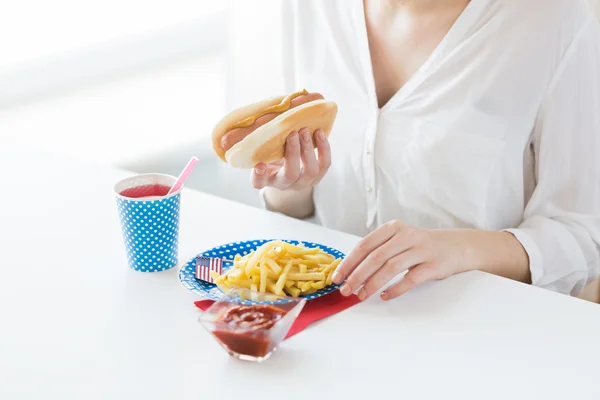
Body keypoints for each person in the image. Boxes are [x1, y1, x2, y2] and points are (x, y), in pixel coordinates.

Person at [250, 0, 600, 301]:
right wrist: (290, 187)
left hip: (483, 333)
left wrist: (458, 249)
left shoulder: (553, 20)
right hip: (333, 317)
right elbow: (299, 207)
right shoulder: (308, 9)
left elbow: (583, 236)